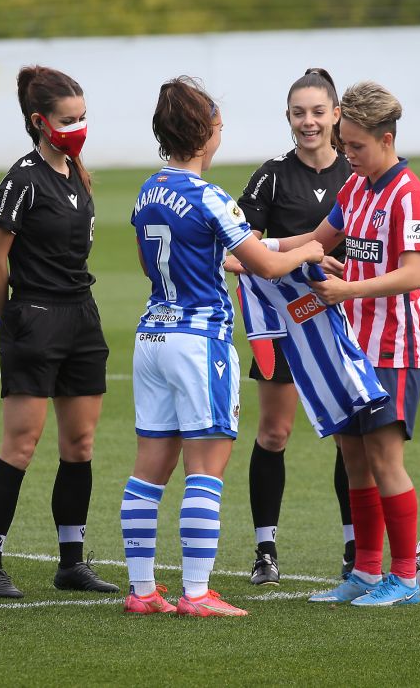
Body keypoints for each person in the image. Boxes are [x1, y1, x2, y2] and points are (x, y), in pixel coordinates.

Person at [120, 76, 325, 617]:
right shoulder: (210, 196)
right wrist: (312, 249)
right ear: (204, 133)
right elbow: (267, 265)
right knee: (206, 468)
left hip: (152, 334)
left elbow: (149, 261)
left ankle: (142, 591)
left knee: (147, 471)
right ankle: (196, 593)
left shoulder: (147, 190)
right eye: (218, 125)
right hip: (199, 340)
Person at [275, 80, 420, 608]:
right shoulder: (355, 188)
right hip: (353, 344)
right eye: (344, 144)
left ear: (386, 139)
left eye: (356, 146)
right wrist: (252, 253)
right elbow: (316, 241)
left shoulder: (408, 194)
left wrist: (347, 290)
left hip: (395, 345)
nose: (348, 154)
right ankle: (365, 572)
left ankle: (404, 578)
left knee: (385, 458)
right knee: (353, 458)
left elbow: (413, 274)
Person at [0, 65, 118, 599]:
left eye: (82, 118)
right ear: (39, 121)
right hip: (35, 317)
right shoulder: (22, 179)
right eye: (67, 120)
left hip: (82, 317)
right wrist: (9, 318)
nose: (78, 128)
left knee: (80, 444)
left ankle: (71, 563)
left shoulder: (77, 172)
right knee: (21, 445)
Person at [232, 68, 355, 586]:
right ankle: (265, 551)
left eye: (318, 112)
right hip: (285, 321)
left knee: (349, 435)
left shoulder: (356, 171)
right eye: (299, 113)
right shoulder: (272, 175)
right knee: (274, 432)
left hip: (343, 317)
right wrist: (303, 258)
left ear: (336, 116)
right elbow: (238, 251)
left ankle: (355, 548)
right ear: (287, 117)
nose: (309, 122)